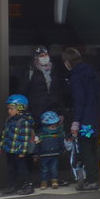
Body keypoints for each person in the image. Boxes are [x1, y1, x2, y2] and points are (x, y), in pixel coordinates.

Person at [23, 46, 71, 183]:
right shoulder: (31, 71)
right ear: (36, 57)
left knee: (54, 144)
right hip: (36, 113)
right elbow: (24, 91)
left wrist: (61, 112)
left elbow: (59, 93)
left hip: (53, 114)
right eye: (41, 55)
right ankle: (38, 177)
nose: (44, 57)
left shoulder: (54, 71)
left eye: (46, 54)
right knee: (37, 145)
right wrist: (27, 113)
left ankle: (54, 177)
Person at [64, 47, 100, 191]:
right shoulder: (92, 73)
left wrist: (75, 122)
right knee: (95, 148)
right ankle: (97, 176)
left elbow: (80, 101)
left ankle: (92, 180)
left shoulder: (76, 77)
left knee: (86, 149)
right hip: (96, 117)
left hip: (85, 120)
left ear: (68, 62)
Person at [0, 94, 35, 195]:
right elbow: (4, 134)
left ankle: (28, 185)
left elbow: (25, 138)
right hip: (10, 150)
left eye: (11, 109)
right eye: (8, 109)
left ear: (20, 108)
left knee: (22, 169)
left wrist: (23, 151)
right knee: (11, 169)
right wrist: (1, 146)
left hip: (18, 151)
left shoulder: (24, 122)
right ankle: (12, 185)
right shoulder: (9, 120)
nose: (9, 111)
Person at [34, 110, 65, 189]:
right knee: (44, 169)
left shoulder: (58, 133)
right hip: (44, 154)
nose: (54, 128)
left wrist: (62, 150)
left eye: (55, 126)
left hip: (55, 154)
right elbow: (36, 145)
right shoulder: (40, 134)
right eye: (52, 126)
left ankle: (54, 181)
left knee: (54, 168)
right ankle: (44, 182)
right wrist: (35, 154)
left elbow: (61, 142)